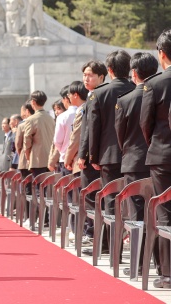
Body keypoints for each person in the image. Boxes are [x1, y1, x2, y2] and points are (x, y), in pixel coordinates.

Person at [115, 52, 158, 276]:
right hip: (159, 159)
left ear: (134, 72)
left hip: (133, 161)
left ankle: (140, 264)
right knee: (160, 212)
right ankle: (162, 266)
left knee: (137, 215)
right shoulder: (161, 92)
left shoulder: (125, 100)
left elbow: (120, 135)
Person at [140, 29, 171, 288]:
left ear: (161, 54)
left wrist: (155, 144)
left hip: (163, 156)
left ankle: (168, 274)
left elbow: (145, 124)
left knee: (165, 213)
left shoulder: (154, 84)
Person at [88, 50, 134, 216]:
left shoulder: (99, 93)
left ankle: (111, 241)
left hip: (109, 155)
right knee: (135, 200)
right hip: (134, 155)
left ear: (109, 70)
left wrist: (93, 156)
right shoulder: (136, 89)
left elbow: (93, 128)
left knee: (111, 201)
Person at [77, 60, 107, 246]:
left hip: (94, 158)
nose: (86, 78)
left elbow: (90, 130)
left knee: (92, 197)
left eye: (90, 75)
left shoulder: (95, 96)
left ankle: (97, 238)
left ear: (102, 76)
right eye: (84, 75)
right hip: (106, 156)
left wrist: (86, 156)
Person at [23, 91, 55, 224]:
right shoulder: (50, 118)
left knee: (38, 191)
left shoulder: (31, 119)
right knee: (49, 190)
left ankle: (40, 218)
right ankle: (48, 218)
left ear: (33, 102)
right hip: (51, 158)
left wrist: (27, 156)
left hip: (38, 159)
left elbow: (27, 141)